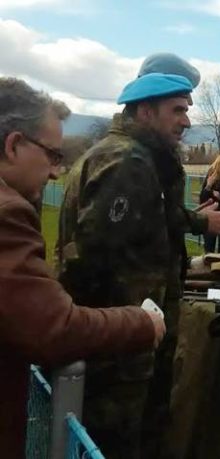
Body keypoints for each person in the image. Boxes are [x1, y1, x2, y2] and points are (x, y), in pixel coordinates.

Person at [57, 73, 220, 459]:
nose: (186, 121)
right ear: (145, 111)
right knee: (113, 441)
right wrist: (110, 330)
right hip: (118, 349)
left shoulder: (122, 153)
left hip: (115, 335)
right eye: (177, 110)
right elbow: (93, 257)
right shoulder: (129, 161)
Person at [0, 76, 165, 458]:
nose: (56, 172)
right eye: (52, 155)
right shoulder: (8, 214)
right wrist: (143, 323)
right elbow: (54, 329)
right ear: (13, 145)